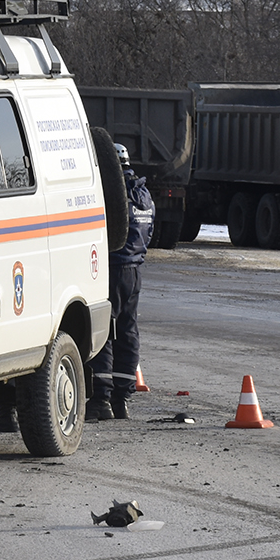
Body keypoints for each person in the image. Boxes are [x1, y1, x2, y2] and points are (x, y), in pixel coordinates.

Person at [91, 142, 154, 420]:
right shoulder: (143, 194)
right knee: (128, 331)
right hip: (134, 270)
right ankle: (121, 399)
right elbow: (149, 231)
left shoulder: (112, 193)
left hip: (111, 266)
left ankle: (101, 399)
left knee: (103, 330)